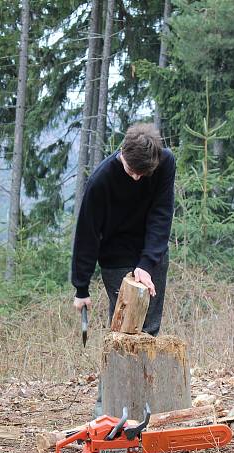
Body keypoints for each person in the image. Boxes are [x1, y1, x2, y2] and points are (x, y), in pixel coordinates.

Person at [71, 122, 175, 337]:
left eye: (143, 174)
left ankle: (146, 371)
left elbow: (161, 214)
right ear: (122, 152)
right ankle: (119, 370)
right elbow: (87, 236)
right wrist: (81, 288)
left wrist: (147, 263)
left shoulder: (165, 163)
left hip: (152, 251)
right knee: (125, 326)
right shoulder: (100, 181)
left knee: (148, 330)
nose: (136, 178)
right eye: (131, 171)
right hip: (115, 256)